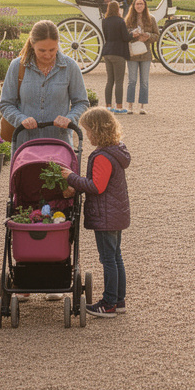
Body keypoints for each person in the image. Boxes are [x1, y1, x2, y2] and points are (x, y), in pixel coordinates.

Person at [58, 107, 131, 318]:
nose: (87, 135)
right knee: (116, 257)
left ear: (97, 131)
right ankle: (118, 301)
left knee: (109, 259)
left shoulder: (102, 156)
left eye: (88, 131)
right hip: (116, 214)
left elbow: (96, 186)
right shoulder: (117, 150)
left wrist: (71, 177)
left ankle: (108, 303)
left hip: (106, 216)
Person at [0, 20, 90, 144]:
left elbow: (81, 102)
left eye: (52, 50)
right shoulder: (17, 66)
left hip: (59, 142)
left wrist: (70, 118)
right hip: (25, 143)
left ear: (58, 44)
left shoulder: (70, 67)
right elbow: (5, 104)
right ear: (32, 44)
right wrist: (21, 119)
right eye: (42, 50)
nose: (47, 55)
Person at [124, 0, 158, 115]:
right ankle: (130, 106)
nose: (139, 6)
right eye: (137, 4)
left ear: (145, 6)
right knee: (131, 81)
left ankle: (142, 106)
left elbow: (157, 35)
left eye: (141, 4)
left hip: (145, 53)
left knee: (144, 81)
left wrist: (148, 36)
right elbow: (123, 35)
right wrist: (132, 34)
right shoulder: (128, 19)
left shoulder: (151, 19)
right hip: (132, 53)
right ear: (133, 6)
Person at [99, 0, 132, 114]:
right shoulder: (120, 21)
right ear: (118, 9)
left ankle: (108, 106)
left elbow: (106, 35)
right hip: (118, 52)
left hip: (107, 51)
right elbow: (126, 37)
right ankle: (119, 106)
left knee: (110, 81)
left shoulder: (105, 21)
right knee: (119, 81)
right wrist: (134, 34)